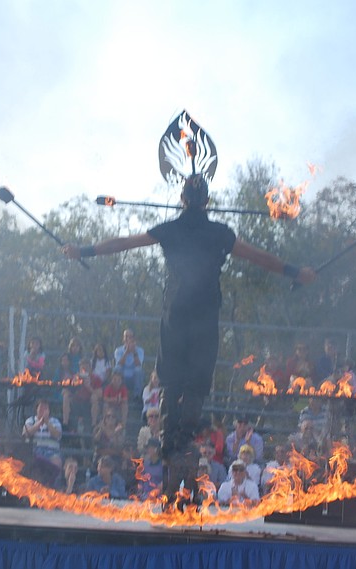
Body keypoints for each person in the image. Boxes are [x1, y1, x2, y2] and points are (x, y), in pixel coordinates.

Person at [63, 173, 315, 500]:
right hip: (203, 317)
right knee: (193, 384)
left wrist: (84, 250)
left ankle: (173, 440)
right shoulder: (219, 233)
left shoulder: (172, 229)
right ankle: (181, 438)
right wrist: (297, 272)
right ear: (206, 201)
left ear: (182, 199)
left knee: (172, 382)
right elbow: (258, 257)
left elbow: (124, 243)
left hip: (178, 315)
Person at [23, 399, 64, 474]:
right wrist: (39, 423)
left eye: (46, 408)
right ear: (36, 409)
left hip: (51, 451)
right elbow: (26, 433)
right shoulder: (30, 420)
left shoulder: (55, 421)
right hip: (34, 450)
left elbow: (57, 435)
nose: (43, 410)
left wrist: (47, 422)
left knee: (57, 462)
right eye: (41, 407)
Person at [113, 329, 144, 400]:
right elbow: (119, 364)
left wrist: (134, 352)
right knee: (117, 368)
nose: (128, 339)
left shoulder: (140, 350)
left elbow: (139, 365)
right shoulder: (118, 350)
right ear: (123, 338)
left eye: (130, 337)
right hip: (122, 377)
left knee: (139, 370)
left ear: (134, 338)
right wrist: (126, 352)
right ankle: (117, 394)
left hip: (134, 377)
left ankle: (137, 397)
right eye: (126, 336)